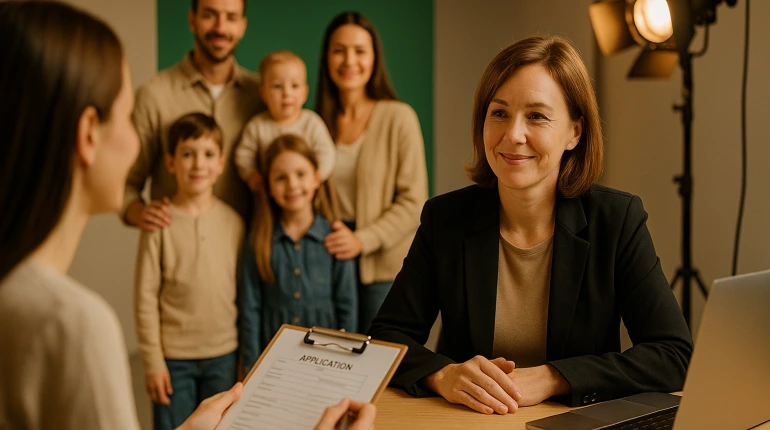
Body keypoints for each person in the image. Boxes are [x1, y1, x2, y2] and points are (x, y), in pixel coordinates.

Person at [0, 2, 374, 430]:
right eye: (125, 117)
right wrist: (144, 211)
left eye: (231, 15)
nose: (137, 141)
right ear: (87, 134)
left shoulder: (262, 93)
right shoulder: (78, 325)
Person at [368, 35, 693, 414]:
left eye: (537, 116)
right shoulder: (445, 218)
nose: (513, 135)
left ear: (574, 132)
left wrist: (554, 377)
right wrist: (443, 375)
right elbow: (385, 339)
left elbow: (673, 355)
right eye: (499, 113)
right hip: (470, 421)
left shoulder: (616, 219)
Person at [315, 11, 429, 333]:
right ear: (326, 58)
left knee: (379, 355)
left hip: (382, 266)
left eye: (360, 51)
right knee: (329, 354)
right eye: (339, 50)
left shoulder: (399, 118)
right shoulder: (314, 123)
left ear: (374, 58)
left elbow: (413, 202)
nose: (349, 60)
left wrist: (361, 240)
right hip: (326, 258)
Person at [134, 113, 244, 429]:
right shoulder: (158, 223)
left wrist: (242, 358)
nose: (198, 164)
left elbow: (242, 292)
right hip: (173, 360)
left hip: (223, 354)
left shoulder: (233, 223)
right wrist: (153, 362)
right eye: (187, 154)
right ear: (171, 162)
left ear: (220, 163)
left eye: (208, 154)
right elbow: (144, 298)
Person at [123, 0, 263, 230]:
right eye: (209, 15)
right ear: (192, 20)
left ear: (242, 26)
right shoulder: (154, 95)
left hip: (246, 247)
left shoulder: (261, 96)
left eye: (231, 17)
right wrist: (139, 213)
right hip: (175, 244)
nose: (220, 27)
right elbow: (124, 182)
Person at [239, 134, 357, 374]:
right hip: (274, 362)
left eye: (300, 174)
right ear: (268, 186)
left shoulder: (335, 238)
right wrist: (251, 365)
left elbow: (347, 305)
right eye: (281, 178)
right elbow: (250, 308)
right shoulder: (258, 241)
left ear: (316, 178)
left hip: (326, 361)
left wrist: (348, 361)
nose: (292, 185)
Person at [234, 50, 336, 192]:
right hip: (270, 192)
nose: (286, 93)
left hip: (305, 192)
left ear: (304, 93)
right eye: (277, 86)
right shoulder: (257, 126)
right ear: (263, 93)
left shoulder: (311, 123)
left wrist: (319, 174)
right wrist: (250, 174)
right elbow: (244, 154)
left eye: (294, 86)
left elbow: (326, 153)